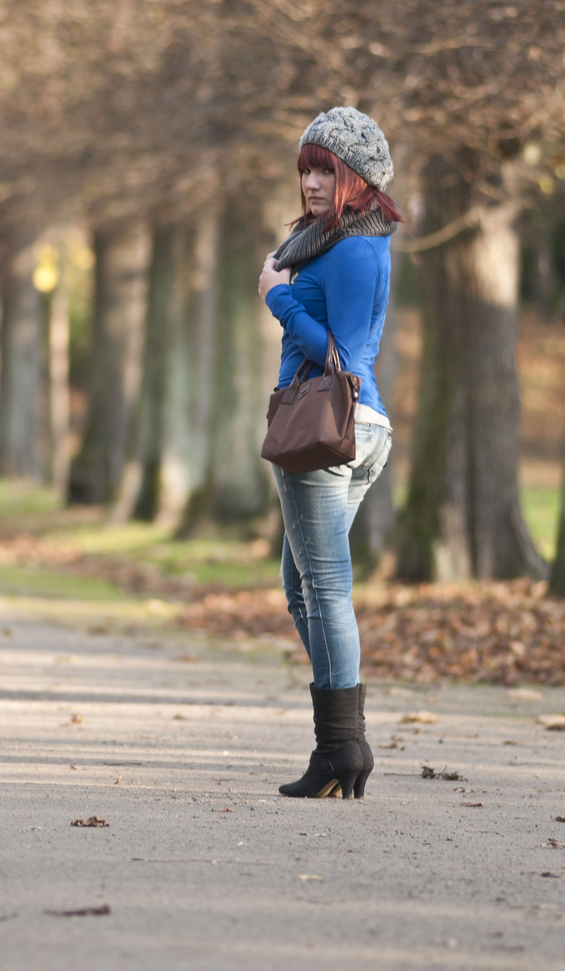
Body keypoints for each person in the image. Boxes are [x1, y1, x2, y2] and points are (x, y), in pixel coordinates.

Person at [258, 106, 402, 800]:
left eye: (326, 170)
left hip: (330, 428)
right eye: (306, 169)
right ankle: (343, 737)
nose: (312, 183)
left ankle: (342, 745)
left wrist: (280, 300)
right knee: (303, 584)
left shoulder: (353, 248)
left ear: (357, 176)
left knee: (327, 588)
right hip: (355, 429)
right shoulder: (336, 239)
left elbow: (342, 356)